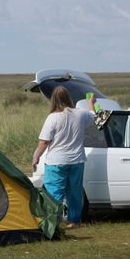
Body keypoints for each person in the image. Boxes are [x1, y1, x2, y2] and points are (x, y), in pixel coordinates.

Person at [32, 86, 96, 229]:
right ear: (69, 98)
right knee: (74, 192)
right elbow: (96, 118)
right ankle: (74, 221)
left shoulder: (53, 118)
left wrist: (36, 157)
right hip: (77, 160)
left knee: (54, 192)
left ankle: (52, 222)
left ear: (53, 100)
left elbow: (44, 142)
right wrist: (91, 103)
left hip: (56, 162)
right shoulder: (80, 114)